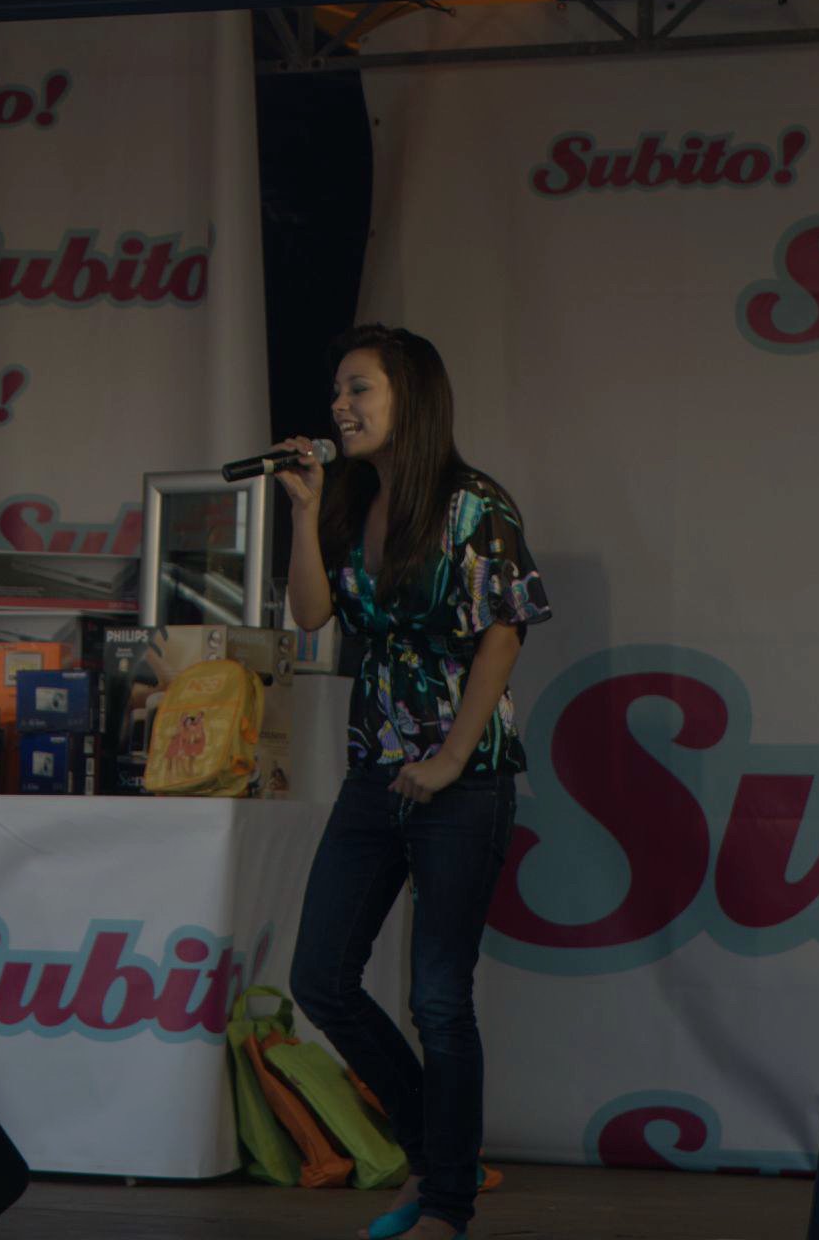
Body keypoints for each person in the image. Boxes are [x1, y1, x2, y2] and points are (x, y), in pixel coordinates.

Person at [281, 324, 550, 1240]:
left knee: (437, 996)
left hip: (461, 782)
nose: (340, 408)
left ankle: (447, 1204)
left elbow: (502, 636)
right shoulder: (353, 499)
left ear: (412, 399)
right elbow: (313, 613)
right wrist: (303, 507)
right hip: (375, 771)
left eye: (359, 390)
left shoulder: (475, 504)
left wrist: (447, 758)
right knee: (320, 978)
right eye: (338, 393)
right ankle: (438, 1154)